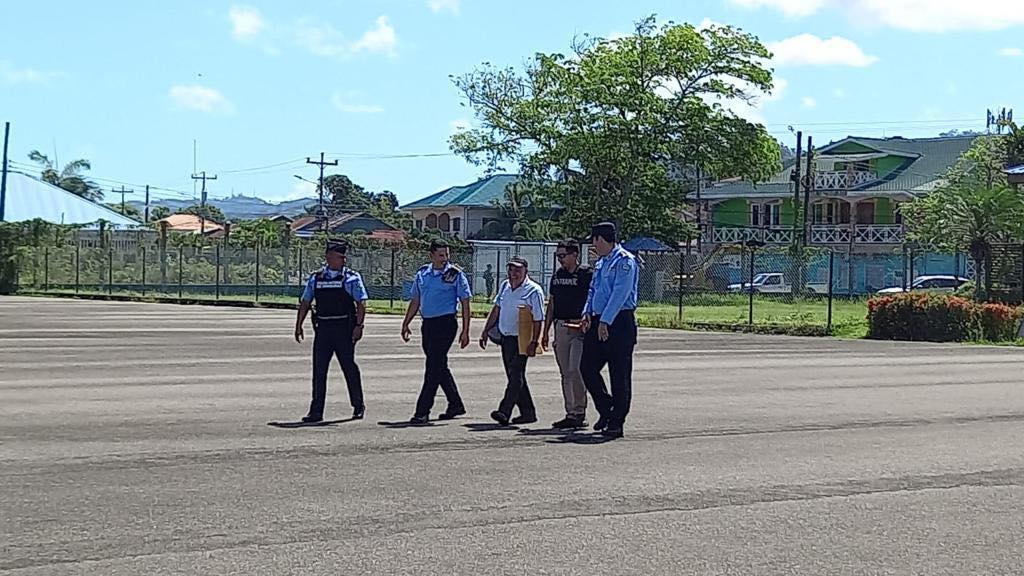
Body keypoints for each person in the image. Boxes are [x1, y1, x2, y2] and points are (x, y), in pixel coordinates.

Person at [294, 239, 369, 423]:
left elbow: (361, 303)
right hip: (324, 330)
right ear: (328, 257)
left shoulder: (351, 277)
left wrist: (359, 327)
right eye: (339, 257)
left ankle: (358, 406)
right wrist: (298, 325)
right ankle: (316, 411)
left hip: (344, 329)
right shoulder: (316, 278)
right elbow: (305, 302)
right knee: (319, 371)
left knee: (349, 368)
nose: (343, 260)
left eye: (344, 257)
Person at [401, 239, 472, 424]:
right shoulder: (423, 274)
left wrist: (466, 331)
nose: (444, 259)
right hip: (428, 325)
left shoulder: (455, 274)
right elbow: (416, 300)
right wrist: (406, 323)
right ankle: (455, 404)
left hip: (446, 323)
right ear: (431, 255)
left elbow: (465, 302)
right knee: (439, 366)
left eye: (446, 255)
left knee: (432, 368)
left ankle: (422, 411)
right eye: (440, 255)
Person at [580, 222, 639, 439]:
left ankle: (617, 421)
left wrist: (606, 321)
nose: (593, 245)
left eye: (594, 240)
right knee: (587, 367)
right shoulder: (601, 263)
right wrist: (587, 311)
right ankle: (607, 409)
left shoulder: (625, 261)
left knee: (619, 373)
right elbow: (593, 289)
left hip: (619, 321)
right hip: (598, 319)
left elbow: (620, 293)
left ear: (600, 239)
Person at [478, 256, 545, 427]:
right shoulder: (505, 286)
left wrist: (534, 341)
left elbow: (538, 318)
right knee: (515, 375)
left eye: (517, 270)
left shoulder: (533, 290)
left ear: (525, 271)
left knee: (516, 375)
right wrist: (486, 330)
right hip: (506, 337)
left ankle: (504, 411)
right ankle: (528, 412)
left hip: (523, 339)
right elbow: (497, 309)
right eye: (511, 269)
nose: (513, 273)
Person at [541, 239, 593, 429]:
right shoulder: (557, 276)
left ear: (575, 255)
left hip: (579, 327)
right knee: (565, 373)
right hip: (561, 326)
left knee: (575, 370)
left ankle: (580, 411)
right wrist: (545, 331)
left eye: (563, 256)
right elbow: (552, 305)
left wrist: (588, 320)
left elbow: (593, 299)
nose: (560, 260)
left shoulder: (586, 275)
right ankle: (570, 412)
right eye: (558, 256)